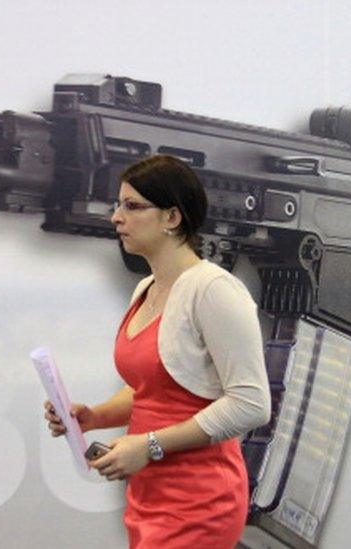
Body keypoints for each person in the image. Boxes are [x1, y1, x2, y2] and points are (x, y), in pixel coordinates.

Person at [44, 154, 271, 548]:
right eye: (119, 205)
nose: (116, 217)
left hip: (201, 502)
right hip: (150, 496)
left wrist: (149, 445)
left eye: (132, 206)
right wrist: (93, 417)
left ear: (172, 218)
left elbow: (251, 404)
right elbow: (153, 388)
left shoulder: (213, 290)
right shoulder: (146, 288)